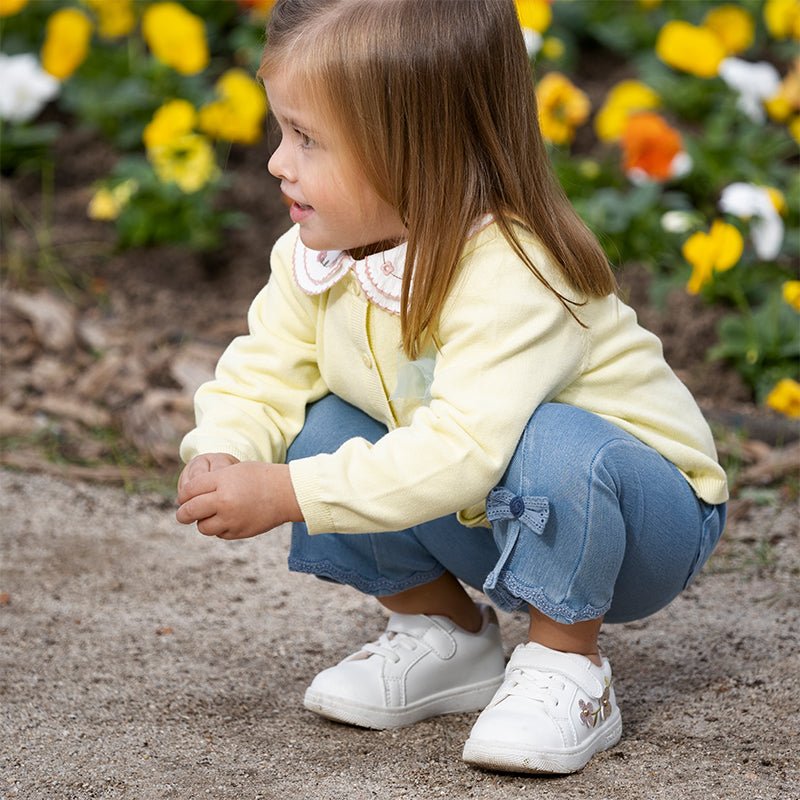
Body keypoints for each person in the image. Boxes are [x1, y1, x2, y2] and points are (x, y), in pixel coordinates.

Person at [175, 0, 728, 776]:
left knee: (553, 438)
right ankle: (448, 637)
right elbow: (264, 367)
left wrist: (289, 493)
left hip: (643, 520)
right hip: (490, 509)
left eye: (306, 138)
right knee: (323, 428)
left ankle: (568, 665)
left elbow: (466, 449)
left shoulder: (512, 266)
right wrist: (226, 451)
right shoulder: (319, 255)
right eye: (281, 130)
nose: (277, 160)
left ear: (415, 150)